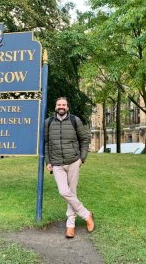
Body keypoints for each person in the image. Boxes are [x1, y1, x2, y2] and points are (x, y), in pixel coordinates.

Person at [45, 97, 94, 238]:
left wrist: (82, 158)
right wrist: (48, 161)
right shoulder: (48, 123)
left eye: (64, 104)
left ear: (67, 106)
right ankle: (86, 214)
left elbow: (84, 140)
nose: (61, 106)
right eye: (59, 104)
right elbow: (47, 143)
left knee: (72, 192)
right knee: (64, 192)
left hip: (73, 161)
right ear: (55, 107)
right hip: (57, 163)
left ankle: (70, 225)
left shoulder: (75, 120)